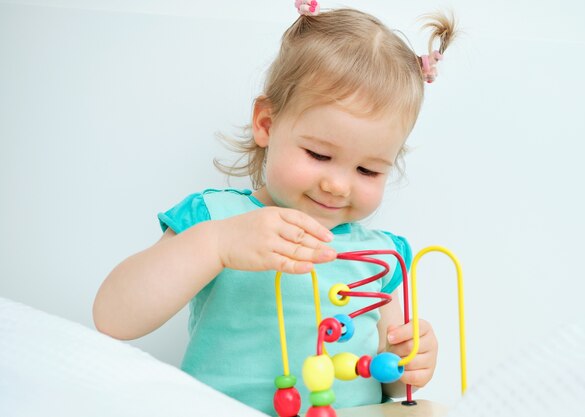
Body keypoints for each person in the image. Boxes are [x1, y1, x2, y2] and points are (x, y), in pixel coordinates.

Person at [93, 3, 457, 415]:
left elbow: (389, 384)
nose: (337, 184)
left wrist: (407, 361)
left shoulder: (380, 258)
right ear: (266, 123)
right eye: (319, 154)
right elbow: (113, 318)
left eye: (367, 169)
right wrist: (217, 245)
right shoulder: (217, 218)